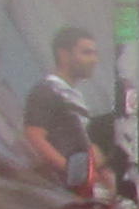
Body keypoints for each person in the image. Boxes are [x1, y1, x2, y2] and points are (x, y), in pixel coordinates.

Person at [22, 25, 116, 193]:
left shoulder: (74, 94)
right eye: (86, 53)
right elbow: (35, 137)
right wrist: (72, 172)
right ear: (64, 55)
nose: (94, 60)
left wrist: (104, 174)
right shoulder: (47, 90)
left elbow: (79, 141)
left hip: (79, 191)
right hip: (57, 192)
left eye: (95, 53)